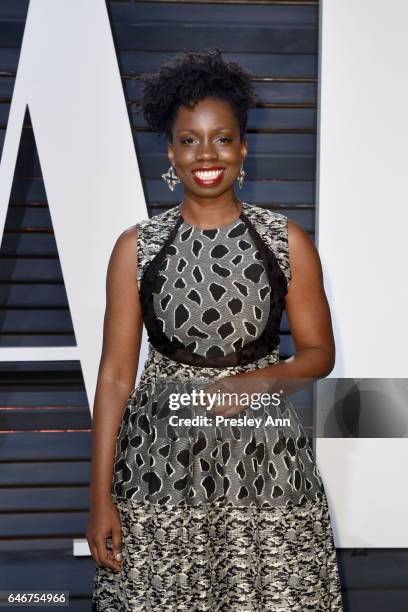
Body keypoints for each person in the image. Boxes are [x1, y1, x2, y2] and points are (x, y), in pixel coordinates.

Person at [88, 48, 343, 611]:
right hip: (157, 469)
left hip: (265, 464)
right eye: (189, 139)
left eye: (222, 138)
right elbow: (113, 378)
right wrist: (99, 498)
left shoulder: (284, 240)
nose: (207, 154)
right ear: (171, 151)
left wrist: (257, 384)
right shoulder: (137, 248)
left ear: (243, 147)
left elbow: (319, 353)